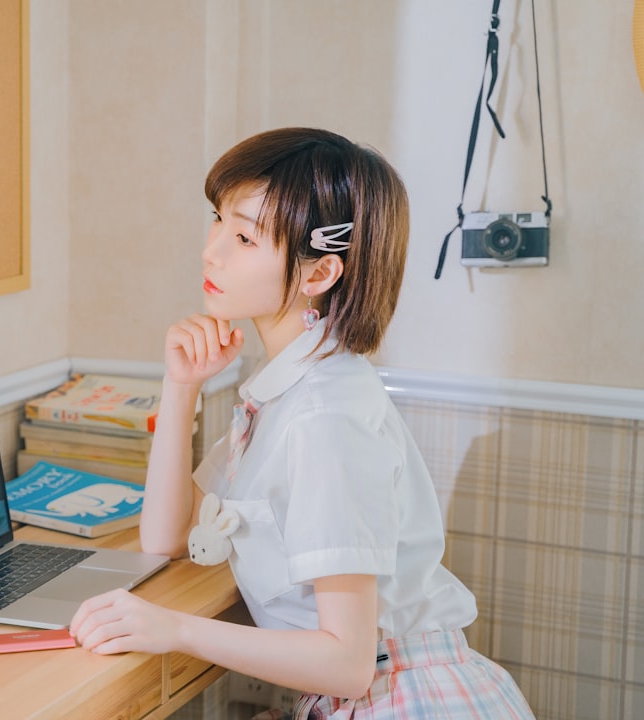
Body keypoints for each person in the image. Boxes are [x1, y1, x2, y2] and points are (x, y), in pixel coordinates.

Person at [69, 127, 535, 719]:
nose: (212, 250)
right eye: (217, 220)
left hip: (405, 699)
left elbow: (347, 662)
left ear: (317, 275)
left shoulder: (324, 417)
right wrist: (181, 385)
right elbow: (165, 538)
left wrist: (176, 629)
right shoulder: (290, 389)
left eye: (243, 235)